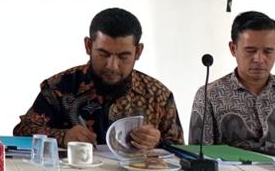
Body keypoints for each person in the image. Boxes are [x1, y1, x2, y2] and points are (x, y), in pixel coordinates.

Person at [13, 8, 182, 149]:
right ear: (88, 46)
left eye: (123, 56)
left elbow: (180, 150)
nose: (112, 66)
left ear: (138, 52)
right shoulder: (59, 87)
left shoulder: (158, 95)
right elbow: (22, 131)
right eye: (103, 54)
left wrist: (156, 141)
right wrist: (62, 136)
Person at [190, 11, 275, 152]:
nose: (259, 59)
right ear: (233, 49)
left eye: (268, 51)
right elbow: (198, 156)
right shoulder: (209, 95)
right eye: (250, 51)